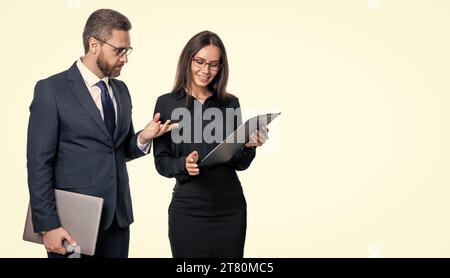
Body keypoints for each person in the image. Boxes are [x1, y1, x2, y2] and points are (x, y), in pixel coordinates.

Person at [26, 9, 176, 258]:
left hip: (118, 220)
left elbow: (117, 150)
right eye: (119, 50)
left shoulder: (121, 90)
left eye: (128, 50)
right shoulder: (51, 90)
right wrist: (48, 225)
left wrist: (143, 138)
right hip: (72, 224)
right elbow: (38, 163)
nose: (125, 58)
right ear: (93, 44)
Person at [153, 31, 269, 258]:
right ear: (188, 59)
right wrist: (183, 164)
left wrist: (249, 146)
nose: (206, 71)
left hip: (230, 209)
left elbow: (239, 164)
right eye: (200, 62)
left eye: (214, 65)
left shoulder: (229, 103)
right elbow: (161, 162)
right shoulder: (166, 103)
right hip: (187, 210)